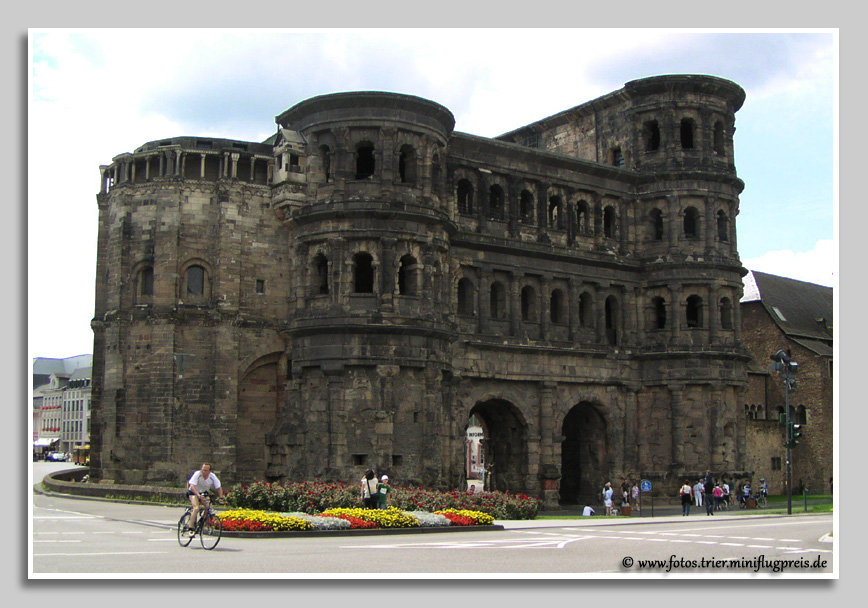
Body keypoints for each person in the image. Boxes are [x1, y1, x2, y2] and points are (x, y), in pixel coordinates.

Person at [186, 463, 225, 536]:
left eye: (205, 470)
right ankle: (190, 529)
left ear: (209, 471)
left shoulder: (212, 476)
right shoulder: (197, 474)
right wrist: (198, 495)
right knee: (196, 508)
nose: (203, 471)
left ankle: (201, 522)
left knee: (209, 508)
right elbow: (192, 486)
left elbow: (219, 487)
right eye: (202, 469)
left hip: (203, 493)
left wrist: (221, 498)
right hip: (193, 492)